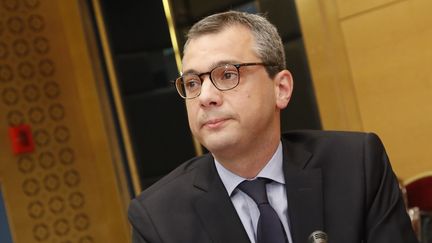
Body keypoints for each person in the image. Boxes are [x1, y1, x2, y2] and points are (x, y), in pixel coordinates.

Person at [128, 11, 418, 243]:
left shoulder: (357, 165)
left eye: (227, 75)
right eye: (192, 83)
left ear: (281, 88)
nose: (205, 97)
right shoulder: (158, 219)